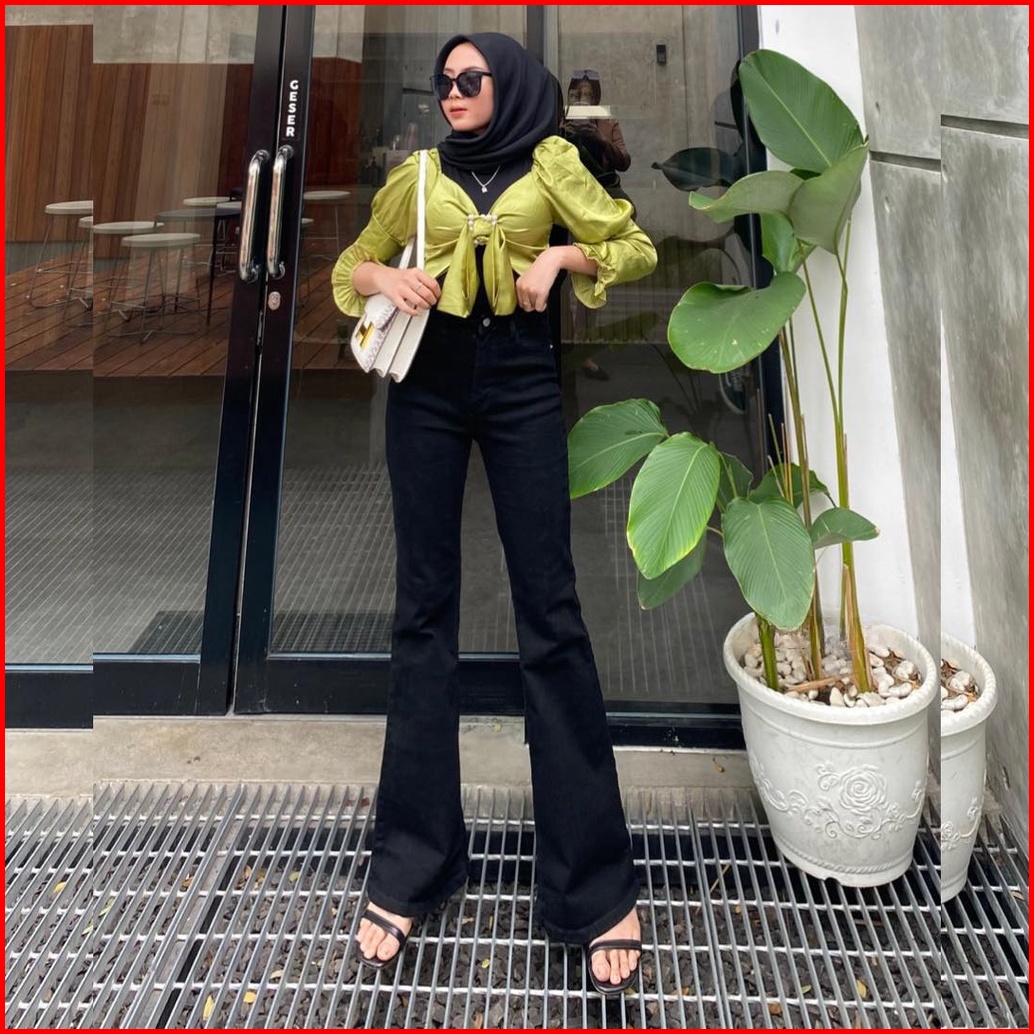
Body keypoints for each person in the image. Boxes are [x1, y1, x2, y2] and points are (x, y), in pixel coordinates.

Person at [331, 32, 657, 996]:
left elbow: (631, 245)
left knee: (550, 613)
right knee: (422, 611)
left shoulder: (550, 162)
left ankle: (592, 885)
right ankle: (413, 862)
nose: (453, 91)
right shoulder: (421, 173)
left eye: (470, 78)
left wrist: (558, 257)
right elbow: (351, 266)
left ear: (507, 84)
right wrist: (386, 279)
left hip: (520, 383)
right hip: (426, 390)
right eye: (444, 80)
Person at [559, 70, 634, 381]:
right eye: (578, 92)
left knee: (593, 275)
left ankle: (584, 349)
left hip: (597, 208)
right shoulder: (561, 121)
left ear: (597, 97)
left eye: (588, 93)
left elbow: (624, 161)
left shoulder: (606, 122)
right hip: (565, 205)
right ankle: (564, 343)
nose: (583, 98)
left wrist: (598, 139)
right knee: (562, 279)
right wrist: (564, 133)